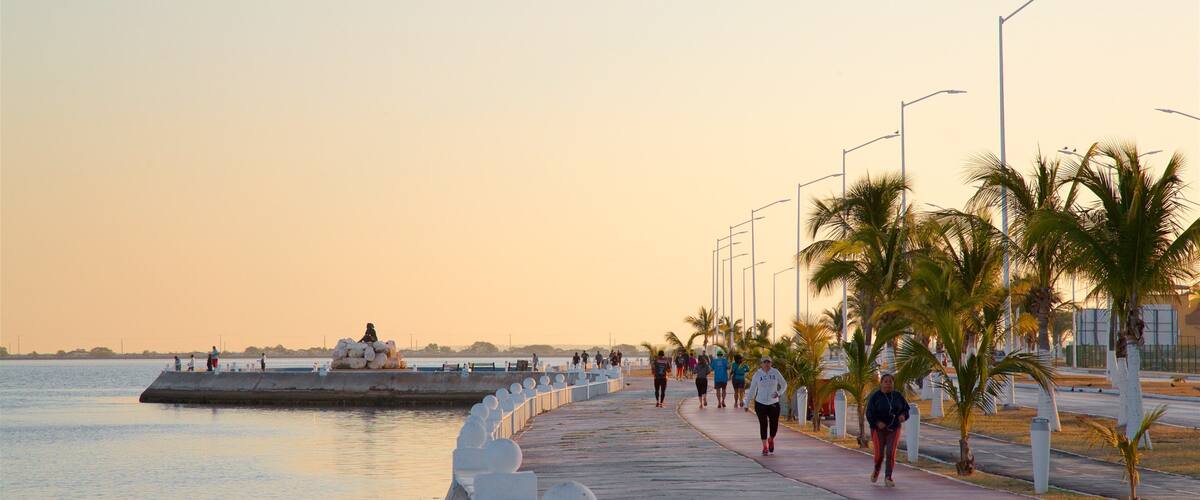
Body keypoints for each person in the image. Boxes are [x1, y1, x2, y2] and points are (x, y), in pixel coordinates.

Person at [866, 373, 910, 487]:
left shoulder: (898, 396)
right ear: (881, 383)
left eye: (890, 382)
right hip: (878, 429)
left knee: (890, 452)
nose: (888, 384)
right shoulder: (875, 397)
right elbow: (869, 413)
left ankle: (888, 477)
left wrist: (903, 416)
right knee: (879, 454)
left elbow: (906, 410)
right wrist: (877, 422)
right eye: (886, 382)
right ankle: (876, 470)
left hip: (894, 428)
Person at [744, 356, 787, 456]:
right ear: (761, 364)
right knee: (763, 425)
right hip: (760, 403)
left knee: (774, 425)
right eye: (764, 362)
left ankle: (771, 439)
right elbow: (752, 390)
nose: (767, 364)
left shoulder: (775, 372)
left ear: (771, 363)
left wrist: (779, 393)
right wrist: (746, 403)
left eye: (769, 362)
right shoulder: (757, 375)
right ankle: (764, 446)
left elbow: (784, 384)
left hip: (773, 403)